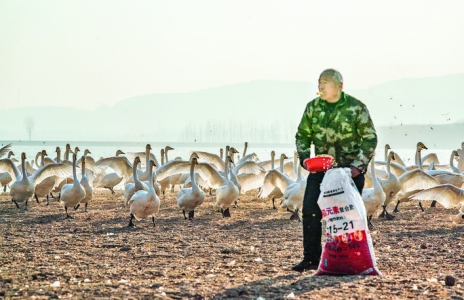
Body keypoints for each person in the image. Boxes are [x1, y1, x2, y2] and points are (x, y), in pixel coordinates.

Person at [293, 68, 378, 272]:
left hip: (349, 173)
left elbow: (370, 138)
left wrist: (358, 166)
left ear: (339, 85)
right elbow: (302, 136)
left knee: (348, 216)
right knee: (311, 210)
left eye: (326, 82)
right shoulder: (313, 108)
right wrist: (305, 160)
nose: (321, 86)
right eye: (319, 82)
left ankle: (350, 259)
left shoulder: (356, 108)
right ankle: (311, 258)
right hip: (321, 171)